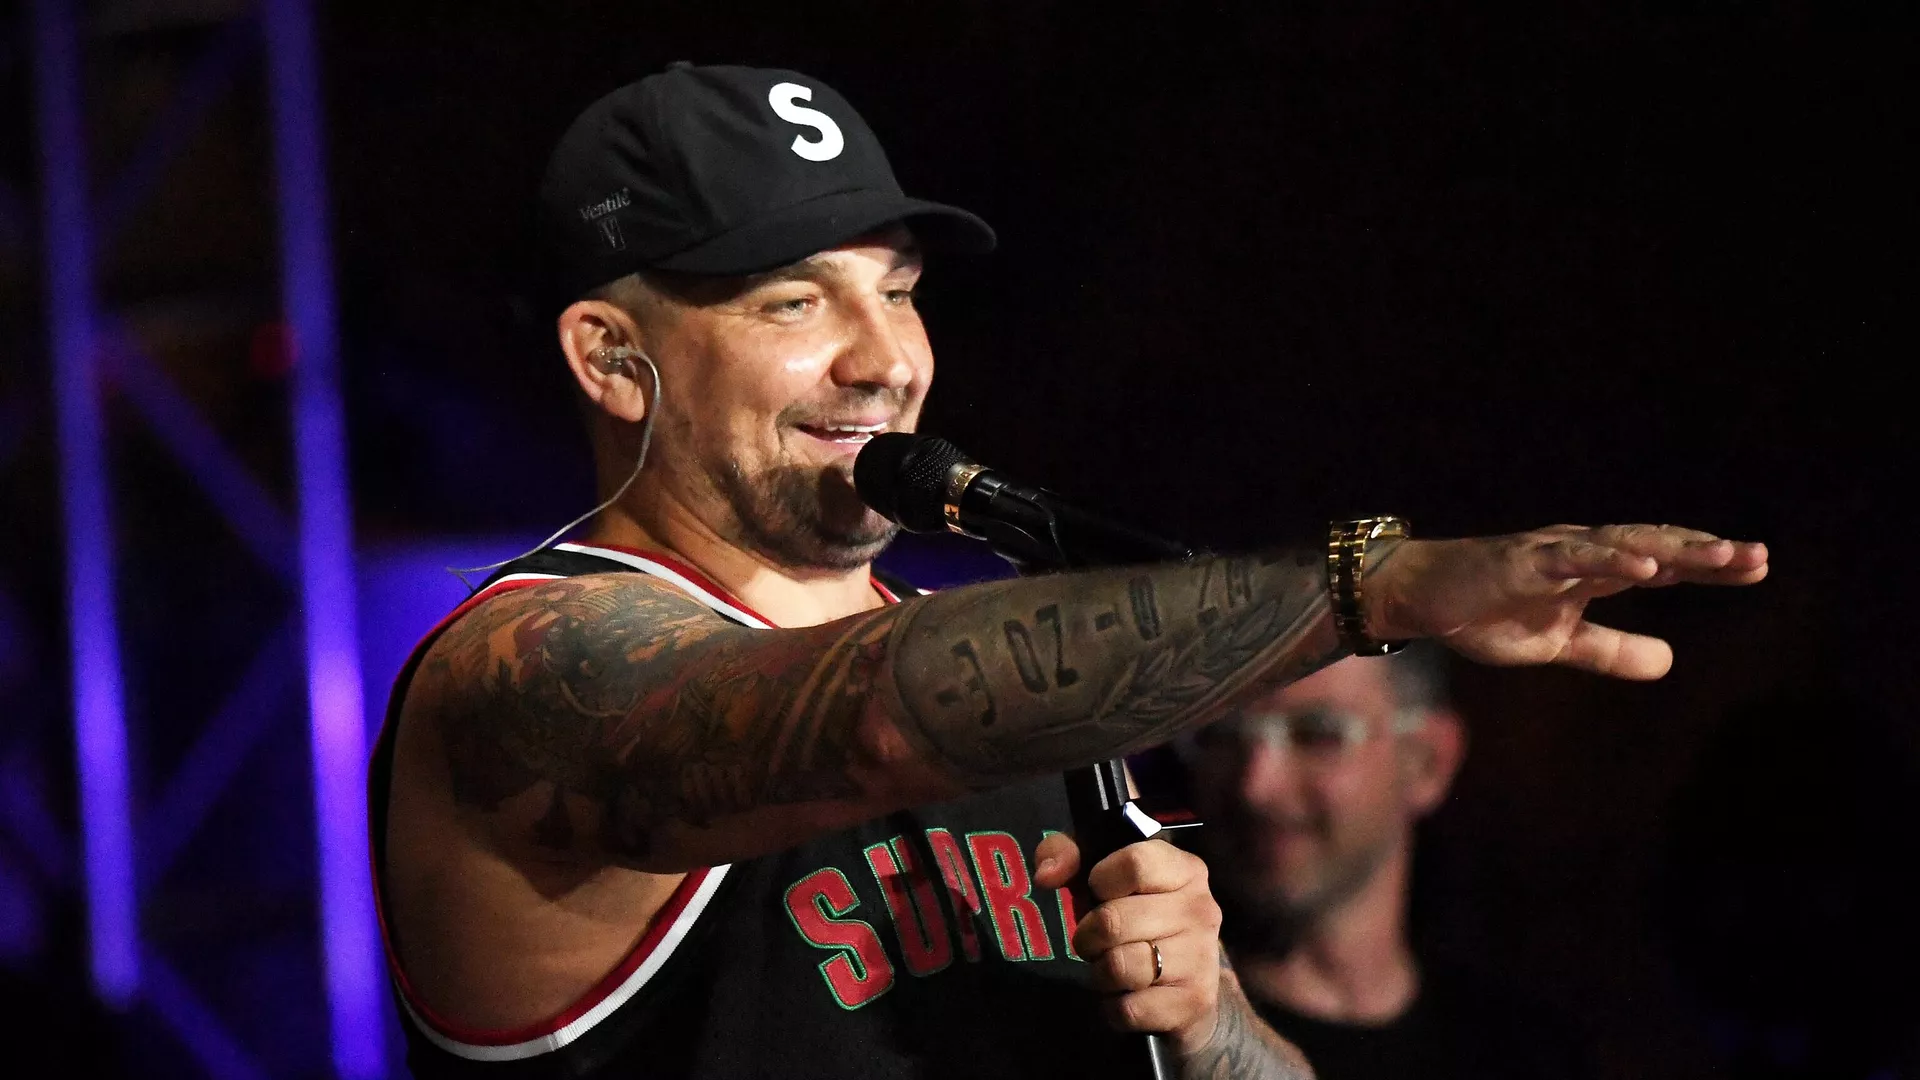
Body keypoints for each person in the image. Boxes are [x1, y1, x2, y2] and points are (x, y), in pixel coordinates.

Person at [367, 62, 1768, 1080]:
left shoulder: (1036, 722)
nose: (887, 359)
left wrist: (1214, 1023)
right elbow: (872, 716)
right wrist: (1370, 588)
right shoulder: (518, 679)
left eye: (898, 290)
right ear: (615, 359)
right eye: (795, 302)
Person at [1181, 646, 1591, 1079]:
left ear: (1427, 761)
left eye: (1318, 734)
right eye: (1222, 734)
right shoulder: (1168, 1033)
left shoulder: (1525, 1053)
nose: (1255, 786)